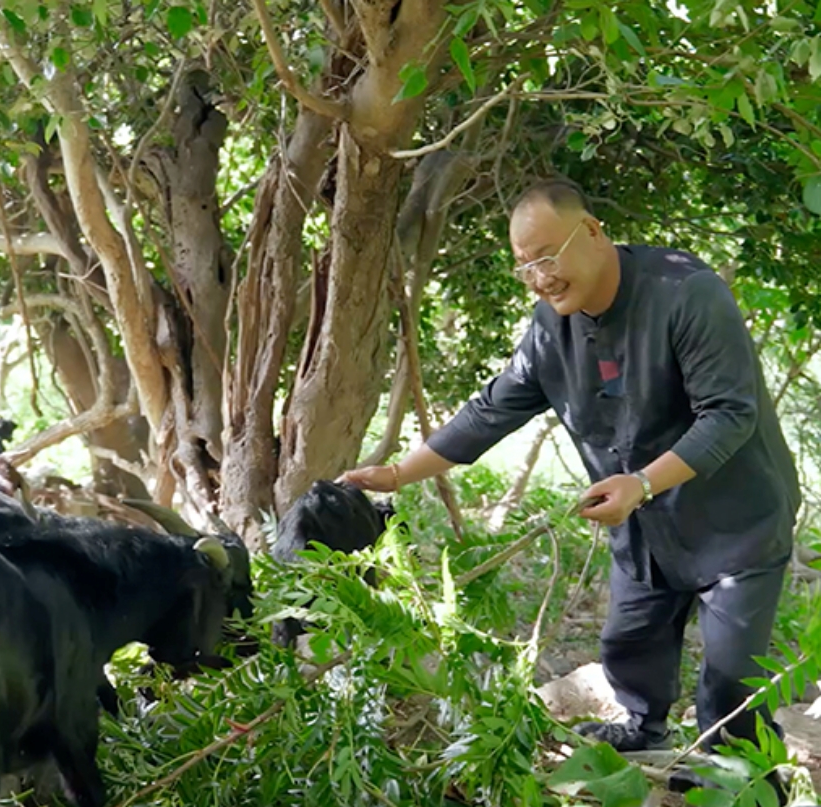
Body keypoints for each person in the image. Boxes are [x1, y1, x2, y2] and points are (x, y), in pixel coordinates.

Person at [340, 178, 801, 753]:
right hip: (643, 525)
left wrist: (640, 483)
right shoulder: (550, 330)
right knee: (629, 643)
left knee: (732, 682)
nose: (540, 277)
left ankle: (738, 779)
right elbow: (491, 411)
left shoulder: (685, 294)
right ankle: (644, 731)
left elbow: (730, 415)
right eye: (525, 266)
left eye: (547, 257)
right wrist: (399, 473)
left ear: (592, 231)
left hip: (734, 519)